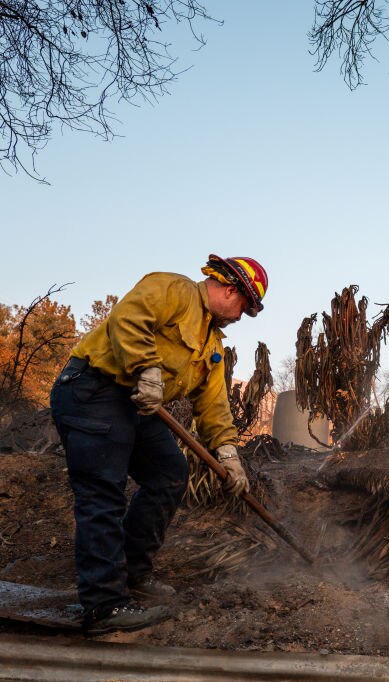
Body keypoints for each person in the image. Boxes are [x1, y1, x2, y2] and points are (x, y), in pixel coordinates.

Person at [49, 254, 268, 635]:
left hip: (138, 405)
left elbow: (213, 406)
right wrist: (146, 370)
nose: (238, 317)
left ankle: (134, 573)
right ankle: (103, 606)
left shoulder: (211, 344)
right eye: (243, 308)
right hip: (94, 389)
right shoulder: (174, 289)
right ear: (231, 290)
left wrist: (229, 455)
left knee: (169, 473)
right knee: (104, 493)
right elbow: (129, 318)